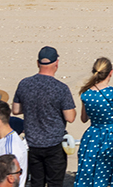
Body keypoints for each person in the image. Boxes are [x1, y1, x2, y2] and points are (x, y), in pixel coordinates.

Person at [12, 47, 75, 187]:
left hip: (33, 143)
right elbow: (70, 117)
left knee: (36, 182)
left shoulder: (24, 84)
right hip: (54, 144)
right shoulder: (61, 88)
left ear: (37, 63)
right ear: (56, 63)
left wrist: (31, 105)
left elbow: (16, 110)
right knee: (55, 183)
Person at [75, 58, 113, 187]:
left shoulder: (85, 93)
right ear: (111, 73)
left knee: (92, 172)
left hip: (93, 135)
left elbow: (83, 119)